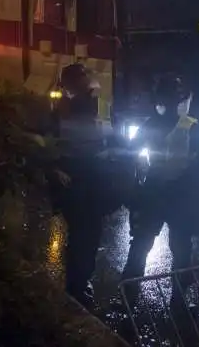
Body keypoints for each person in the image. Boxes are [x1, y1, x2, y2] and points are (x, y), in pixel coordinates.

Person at [121, 75, 199, 307]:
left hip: (158, 192)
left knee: (144, 245)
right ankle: (177, 301)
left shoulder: (151, 125)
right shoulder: (190, 126)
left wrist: (135, 186)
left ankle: (128, 300)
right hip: (177, 193)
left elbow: (128, 155)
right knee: (179, 248)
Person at [52, 63, 120, 308]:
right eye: (78, 80)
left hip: (96, 178)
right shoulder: (60, 109)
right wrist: (56, 172)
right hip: (74, 178)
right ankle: (76, 286)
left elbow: (114, 139)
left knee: (91, 233)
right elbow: (51, 146)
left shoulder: (101, 106)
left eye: (85, 78)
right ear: (69, 84)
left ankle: (81, 281)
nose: (85, 83)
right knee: (81, 232)